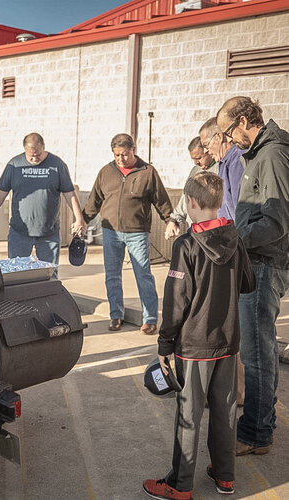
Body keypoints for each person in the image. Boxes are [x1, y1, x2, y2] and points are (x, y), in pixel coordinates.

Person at [143, 171, 255, 500]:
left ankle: (180, 485)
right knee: (225, 411)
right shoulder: (235, 238)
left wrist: (165, 343)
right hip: (228, 342)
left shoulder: (186, 245)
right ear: (219, 203)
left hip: (194, 346)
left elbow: (176, 299)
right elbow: (249, 283)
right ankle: (225, 476)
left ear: (191, 203)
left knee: (189, 416)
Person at [217, 96, 289, 456]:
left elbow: (275, 222)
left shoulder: (272, 155)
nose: (228, 140)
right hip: (256, 261)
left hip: (263, 264)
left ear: (245, 120)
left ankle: (256, 434)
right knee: (256, 350)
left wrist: (234, 241)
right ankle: (260, 427)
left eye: (229, 131)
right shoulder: (260, 154)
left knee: (257, 354)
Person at [83, 133, 173, 334]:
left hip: (137, 233)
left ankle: (149, 318)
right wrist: (82, 221)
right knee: (112, 275)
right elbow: (93, 201)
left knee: (143, 275)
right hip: (110, 232)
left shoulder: (147, 172)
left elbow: (162, 201)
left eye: (124, 154)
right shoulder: (105, 172)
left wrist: (170, 221)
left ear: (133, 150)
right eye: (116, 155)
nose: (120, 159)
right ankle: (116, 315)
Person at [0, 132, 86, 267]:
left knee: (49, 275)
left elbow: (70, 194)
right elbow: (0, 193)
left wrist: (79, 219)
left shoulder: (57, 165)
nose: (35, 159)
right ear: (25, 150)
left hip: (48, 234)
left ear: (43, 147)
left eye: (38, 155)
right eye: (31, 156)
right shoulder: (15, 165)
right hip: (19, 232)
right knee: (17, 274)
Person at [164, 136, 217, 240]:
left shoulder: (221, 168)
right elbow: (186, 197)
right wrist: (174, 220)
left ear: (208, 151)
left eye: (199, 158)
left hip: (212, 232)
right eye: (193, 159)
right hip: (194, 231)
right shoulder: (195, 170)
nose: (196, 162)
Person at [198, 117, 244, 222]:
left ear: (218, 137)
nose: (206, 151)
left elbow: (240, 206)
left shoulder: (236, 162)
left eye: (206, 145)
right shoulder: (224, 162)